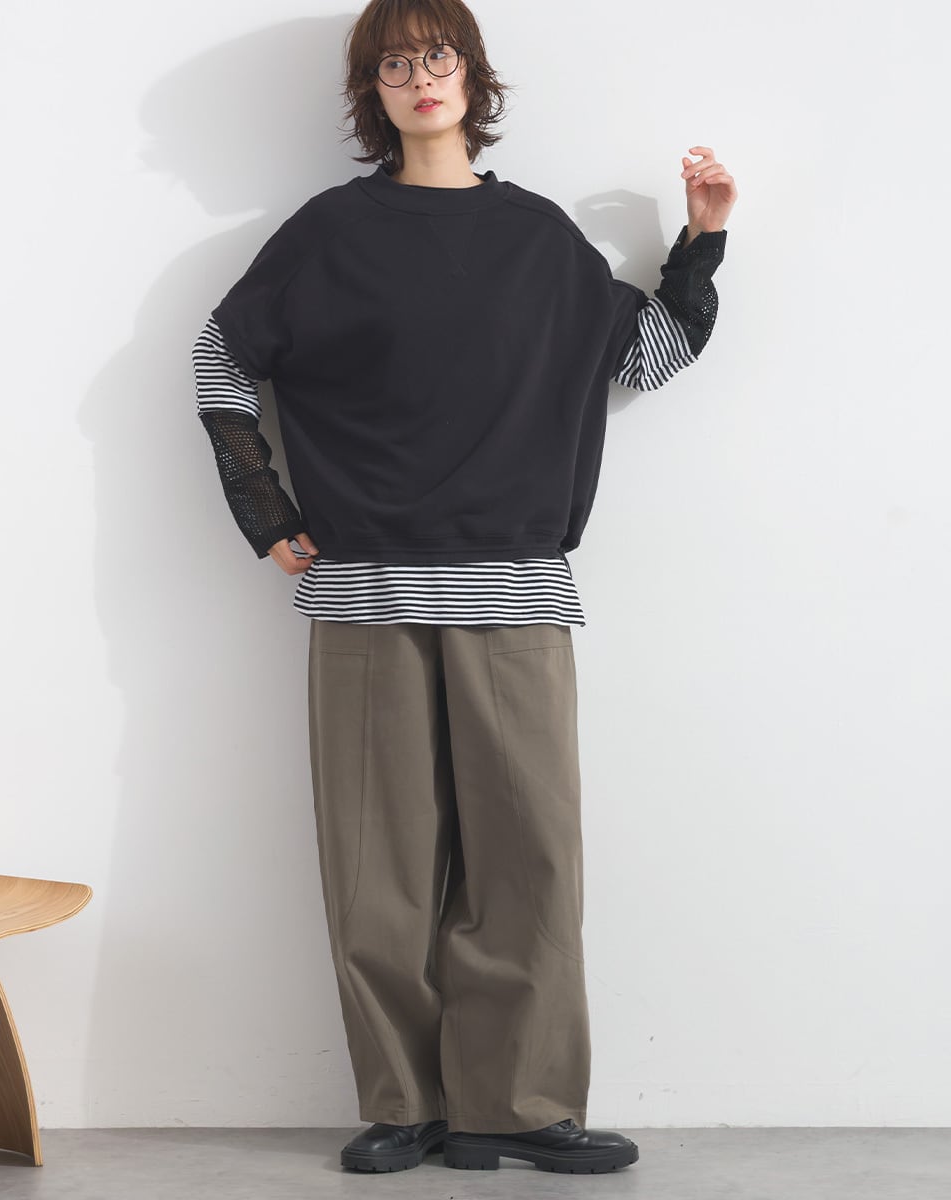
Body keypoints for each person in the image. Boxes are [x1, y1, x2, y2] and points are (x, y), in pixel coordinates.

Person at [191, 0, 737, 1176]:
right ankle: (405, 1102)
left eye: (436, 55)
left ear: (471, 77)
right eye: (394, 63)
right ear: (371, 92)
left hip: (514, 592)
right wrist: (263, 509)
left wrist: (699, 243)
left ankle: (519, 1105)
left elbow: (642, 355)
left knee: (528, 859)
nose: (419, 76)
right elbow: (221, 356)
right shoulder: (329, 233)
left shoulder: (536, 236)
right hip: (365, 596)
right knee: (377, 868)